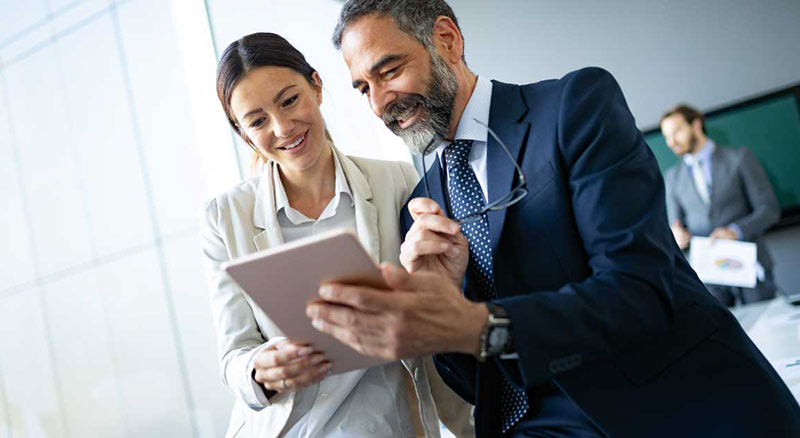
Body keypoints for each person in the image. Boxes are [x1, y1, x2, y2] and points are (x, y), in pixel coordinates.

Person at [304, 1, 800, 437]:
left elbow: (641, 292)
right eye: (363, 88)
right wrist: (443, 306)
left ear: (447, 40)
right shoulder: (423, 203)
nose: (379, 103)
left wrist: (476, 323)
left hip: (669, 408)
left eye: (388, 71)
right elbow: (476, 386)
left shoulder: (574, 107)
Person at [200, 32, 473, 438]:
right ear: (243, 132)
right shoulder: (225, 217)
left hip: (393, 425)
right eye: (257, 121)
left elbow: (434, 310)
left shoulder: (394, 181)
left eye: (290, 100)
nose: (282, 127)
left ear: (316, 85)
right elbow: (234, 356)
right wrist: (260, 370)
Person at [660, 104, 780, 307]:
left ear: (696, 125)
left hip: (750, 268)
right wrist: (676, 237)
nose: (671, 142)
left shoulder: (740, 158)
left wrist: (736, 231)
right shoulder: (672, 178)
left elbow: (769, 209)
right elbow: (675, 226)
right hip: (709, 278)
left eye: (677, 132)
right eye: (666, 137)